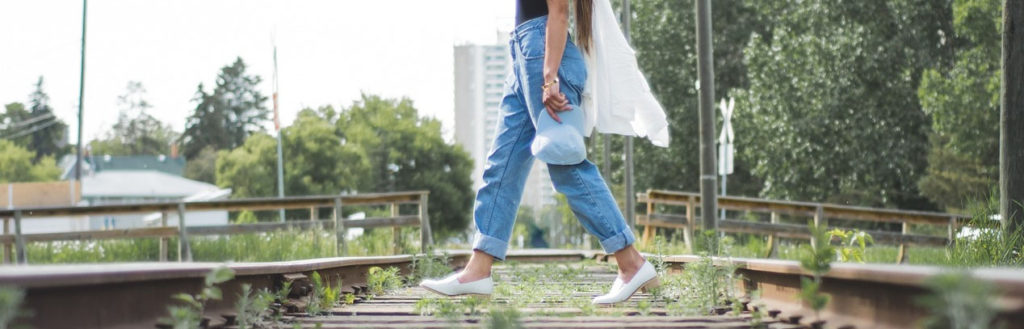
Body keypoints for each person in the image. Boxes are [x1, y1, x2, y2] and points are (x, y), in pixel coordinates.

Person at [420, 0, 661, 305]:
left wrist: (549, 78)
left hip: (544, 58)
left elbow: (558, 11)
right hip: (524, 56)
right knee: (502, 165)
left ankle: (632, 263)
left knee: (567, 164)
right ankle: (478, 270)